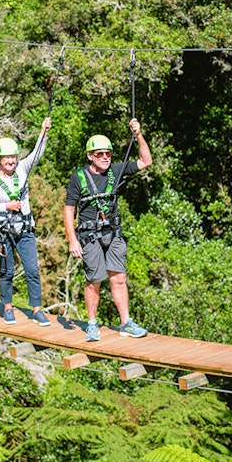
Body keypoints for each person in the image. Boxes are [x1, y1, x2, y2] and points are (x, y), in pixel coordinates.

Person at [63, 118, 152, 341]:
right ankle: (92, 324)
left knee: (119, 278)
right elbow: (68, 210)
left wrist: (138, 134)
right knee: (94, 280)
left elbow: (146, 161)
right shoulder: (79, 177)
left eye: (108, 154)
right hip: (90, 235)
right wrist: (72, 240)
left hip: (113, 234)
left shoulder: (116, 171)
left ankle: (126, 323)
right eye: (100, 153)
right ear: (90, 156)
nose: (105, 157)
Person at [0, 117, 51, 326]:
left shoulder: (22, 168)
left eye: (13, 157)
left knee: (32, 270)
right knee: (7, 270)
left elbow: (37, 153)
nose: (11, 161)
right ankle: (7, 307)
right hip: (3, 230)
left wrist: (43, 132)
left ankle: (37, 309)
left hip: (25, 229)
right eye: (7, 158)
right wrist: (6, 206)